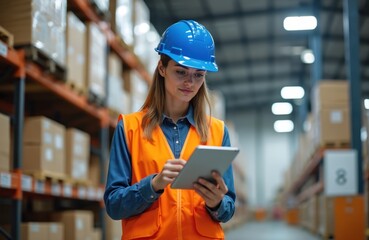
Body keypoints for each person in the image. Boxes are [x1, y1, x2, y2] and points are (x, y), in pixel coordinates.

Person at [104, 20, 236, 240]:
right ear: (162, 68)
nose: (190, 83)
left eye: (198, 75)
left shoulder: (217, 131)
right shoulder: (129, 128)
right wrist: (153, 185)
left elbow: (229, 209)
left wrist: (217, 203)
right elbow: (114, 206)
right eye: (181, 72)